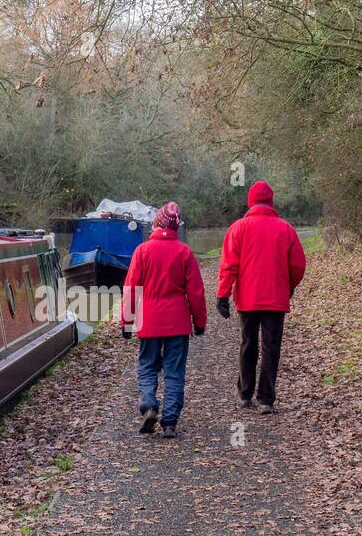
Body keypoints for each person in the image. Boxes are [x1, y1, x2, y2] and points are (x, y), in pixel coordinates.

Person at [215, 180, 306, 414]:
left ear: (250, 202)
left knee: (248, 344)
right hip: (275, 298)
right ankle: (266, 399)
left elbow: (229, 266)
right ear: (271, 201)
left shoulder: (238, 228)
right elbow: (298, 265)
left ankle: (245, 395)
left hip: (248, 298)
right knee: (271, 347)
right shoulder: (286, 229)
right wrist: (289, 286)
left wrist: (223, 295)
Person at [120, 201, 207, 438]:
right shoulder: (185, 253)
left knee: (147, 366)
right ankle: (169, 422)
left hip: (148, 321)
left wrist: (127, 321)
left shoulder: (142, 251)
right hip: (177, 323)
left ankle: (149, 406)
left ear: (156, 224)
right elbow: (196, 293)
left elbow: (131, 288)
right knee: (174, 371)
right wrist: (199, 323)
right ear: (176, 227)